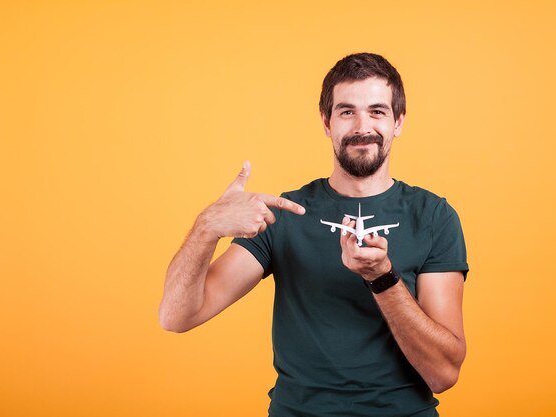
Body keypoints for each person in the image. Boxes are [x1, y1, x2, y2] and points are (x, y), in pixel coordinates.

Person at [159, 53, 469, 417]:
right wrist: (206, 226)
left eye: (377, 111)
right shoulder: (284, 215)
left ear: (398, 122)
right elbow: (176, 317)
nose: (362, 126)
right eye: (347, 111)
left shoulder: (433, 216)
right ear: (327, 122)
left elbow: (443, 374)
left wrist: (381, 278)